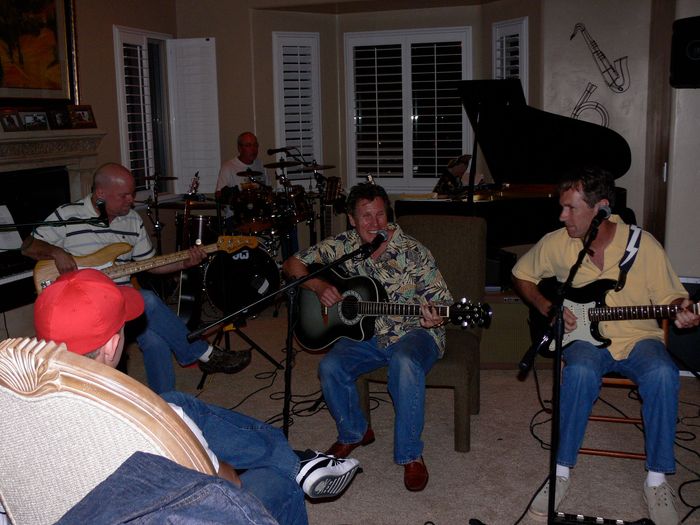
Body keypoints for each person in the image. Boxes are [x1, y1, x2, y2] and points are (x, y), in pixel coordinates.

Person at [33, 268, 361, 525]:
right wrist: (221, 463)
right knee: (276, 481)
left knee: (178, 398)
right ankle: (294, 465)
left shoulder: (18, 413)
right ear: (111, 346)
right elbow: (227, 483)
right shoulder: (150, 417)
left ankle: (295, 461)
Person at [511, 166, 700, 524]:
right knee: (579, 370)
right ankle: (561, 473)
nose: (561, 215)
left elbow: (674, 297)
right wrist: (547, 307)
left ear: (599, 210)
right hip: (585, 341)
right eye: (562, 206)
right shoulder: (558, 242)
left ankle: (657, 481)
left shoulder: (643, 246)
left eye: (570, 208)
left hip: (638, 339)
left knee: (663, 373)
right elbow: (521, 274)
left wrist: (683, 311)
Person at [21, 162, 249, 394]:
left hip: (122, 302)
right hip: (81, 304)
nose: (131, 200)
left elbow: (150, 265)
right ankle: (201, 352)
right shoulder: (68, 214)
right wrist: (57, 253)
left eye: (132, 193)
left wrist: (185, 262)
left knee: (154, 339)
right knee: (148, 299)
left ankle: (166, 403)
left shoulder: (132, 221)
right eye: (124, 195)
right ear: (100, 193)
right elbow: (27, 245)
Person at [282, 183, 452, 492]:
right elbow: (292, 264)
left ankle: (411, 455)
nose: (375, 224)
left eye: (380, 214)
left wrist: (436, 314)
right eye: (366, 216)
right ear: (351, 219)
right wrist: (319, 286)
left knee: (404, 362)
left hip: (415, 332)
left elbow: (442, 300)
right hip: (365, 333)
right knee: (330, 367)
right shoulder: (342, 246)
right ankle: (354, 432)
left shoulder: (414, 252)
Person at [215, 131, 271, 199]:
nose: (253, 149)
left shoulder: (261, 165)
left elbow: (268, 190)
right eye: (248, 145)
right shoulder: (228, 167)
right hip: (236, 208)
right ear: (240, 148)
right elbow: (219, 194)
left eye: (255, 145)